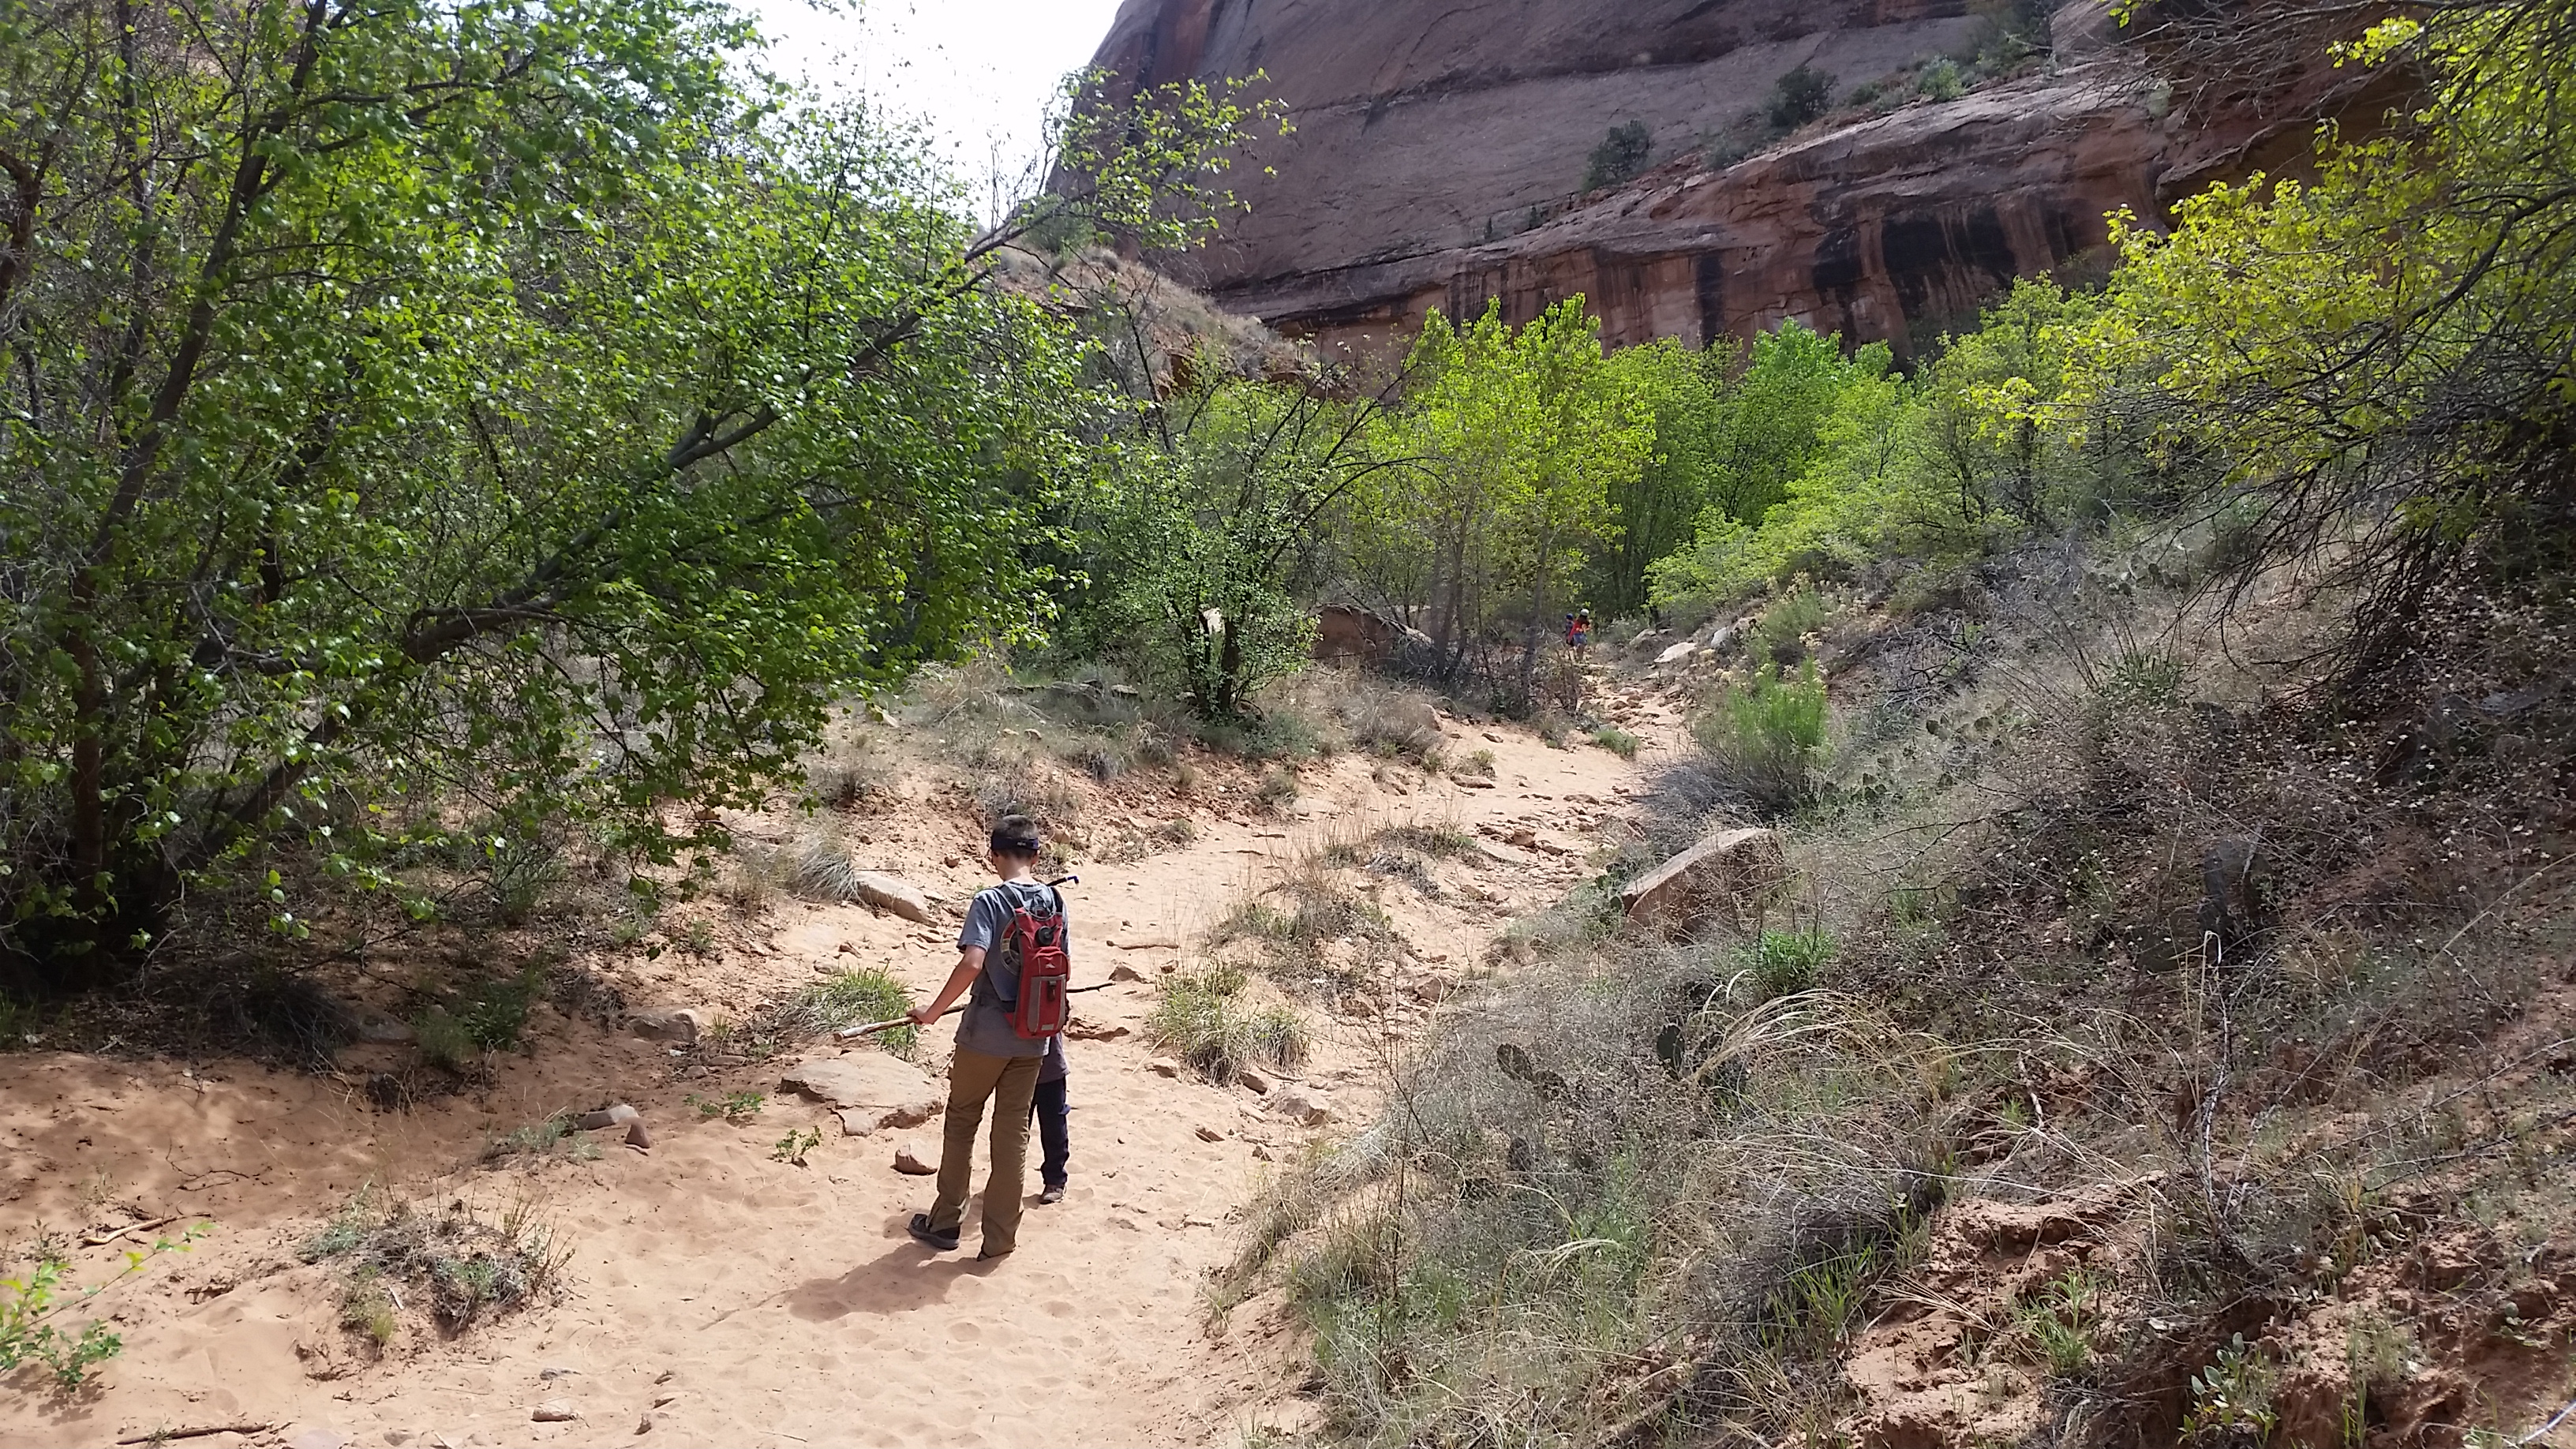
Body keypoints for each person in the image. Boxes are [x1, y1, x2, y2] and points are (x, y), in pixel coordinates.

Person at [906, 815, 1062, 1260]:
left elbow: (973, 962)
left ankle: (945, 1222)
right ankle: (999, 1240)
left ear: (994, 855)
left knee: (962, 1121)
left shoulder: (990, 901)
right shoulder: (1054, 900)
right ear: (1036, 855)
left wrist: (933, 1012)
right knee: (1013, 1135)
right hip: (1035, 1034)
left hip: (987, 1032)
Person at [1031, 1032, 1069, 1204]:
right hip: (1013, 1071)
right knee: (1012, 1130)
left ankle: (1055, 1181)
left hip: (1050, 1067)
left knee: (1054, 1127)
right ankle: (1006, 1182)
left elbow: (1063, 1015)